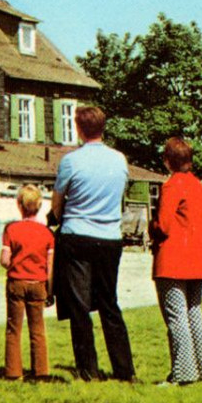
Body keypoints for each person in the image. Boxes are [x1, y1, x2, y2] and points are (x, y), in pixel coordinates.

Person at [50, 106, 136, 382]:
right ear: (103, 127)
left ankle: (88, 369)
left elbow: (57, 204)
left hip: (77, 235)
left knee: (80, 306)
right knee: (110, 303)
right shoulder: (119, 160)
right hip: (110, 237)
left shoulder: (71, 161)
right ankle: (124, 370)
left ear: (78, 128)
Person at [150, 136, 202, 386]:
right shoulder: (199, 186)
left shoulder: (172, 185)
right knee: (194, 313)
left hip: (173, 260)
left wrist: (151, 227)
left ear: (168, 161)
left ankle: (183, 373)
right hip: (197, 259)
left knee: (176, 317)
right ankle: (200, 369)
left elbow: (164, 225)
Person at [0, 183, 55, 380]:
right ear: (40, 206)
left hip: (16, 282)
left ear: (19, 205)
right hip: (38, 284)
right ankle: (41, 371)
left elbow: (5, 260)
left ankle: (13, 372)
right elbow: (50, 267)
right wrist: (50, 290)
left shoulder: (11, 230)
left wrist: (13, 264)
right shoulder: (47, 234)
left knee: (14, 329)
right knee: (38, 329)